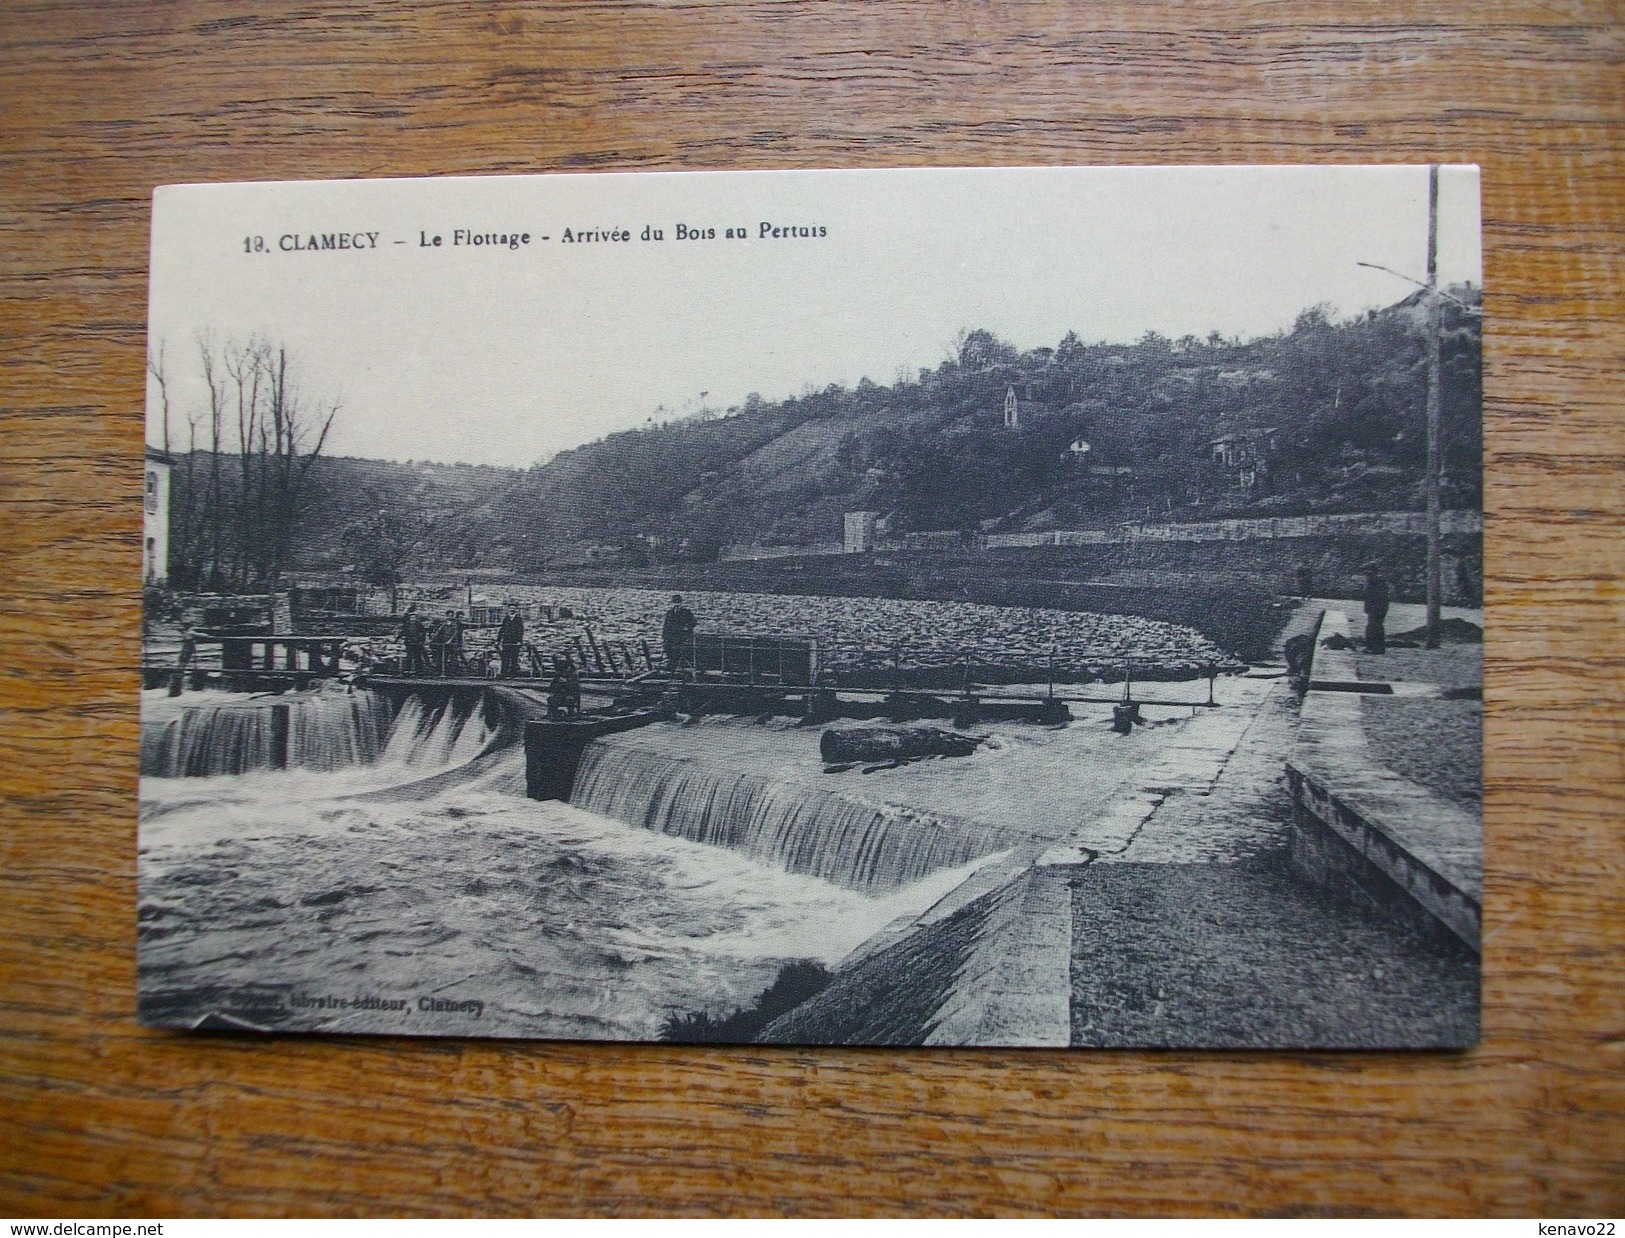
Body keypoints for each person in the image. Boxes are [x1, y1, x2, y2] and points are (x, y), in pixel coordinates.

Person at [662, 593, 697, 675]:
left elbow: (693, 622)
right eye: (675, 602)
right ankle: (671, 666)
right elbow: (666, 625)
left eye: (678, 602)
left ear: (681, 602)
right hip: (671, 637)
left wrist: (686, 628)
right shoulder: (670, 612)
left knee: (678, 651)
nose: (676, 604)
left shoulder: (686, 612)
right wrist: (664, 636)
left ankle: (675, 667)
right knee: (667, 648)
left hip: (683, 637)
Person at [1362, 563, 1391, 654]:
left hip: (1377, 609)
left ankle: (1375, 647)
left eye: (1369, 574)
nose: (1368, 576)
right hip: (1374, 608)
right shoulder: (1372, 582)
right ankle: (1374, 647)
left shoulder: (1378, 583)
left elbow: (1379, 597)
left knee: (1375, 628)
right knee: (1374, 627)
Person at [497, 601, 524, 678]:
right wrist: (498, 641)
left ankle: (513, 675)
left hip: (515, 642)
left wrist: (519, 641)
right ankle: (504, 674)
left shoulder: (519, 619)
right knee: (505, 658)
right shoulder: (506, 619)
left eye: (514, 609)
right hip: (506, 642)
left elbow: (521, 631)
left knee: (514, 659)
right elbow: (502, 630)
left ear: (516, 610)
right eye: (511, 609)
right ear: (508, 609)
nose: (512, 610)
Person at [399, 604, 426, 676]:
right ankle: (407, 670)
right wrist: (399, 638)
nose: (413, 619)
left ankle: (419, 671)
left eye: (414, 618)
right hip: (409, 642)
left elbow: (423, 633)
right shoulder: (407, 625)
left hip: (417, 642)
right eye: (412, 618)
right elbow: (402, 632)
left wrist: (421, 641)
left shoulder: (419, 625)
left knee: (417, 656)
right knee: (409, 656)